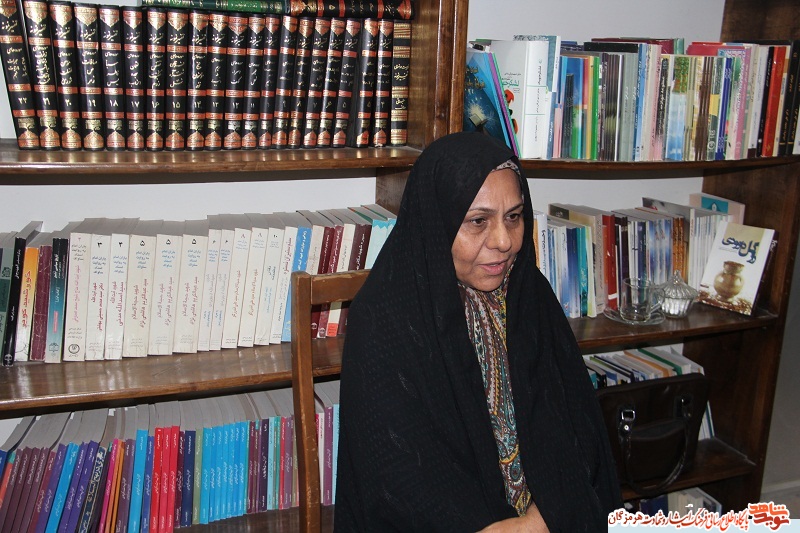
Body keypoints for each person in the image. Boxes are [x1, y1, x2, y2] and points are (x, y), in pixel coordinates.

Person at [334, 132, 621, 531]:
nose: (503, 242)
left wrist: (544, 517)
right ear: (438, 220)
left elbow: (576, 427)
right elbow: (398, 481)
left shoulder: (529, 294)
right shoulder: (385, 319)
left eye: (514, 217)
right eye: (478, 221)